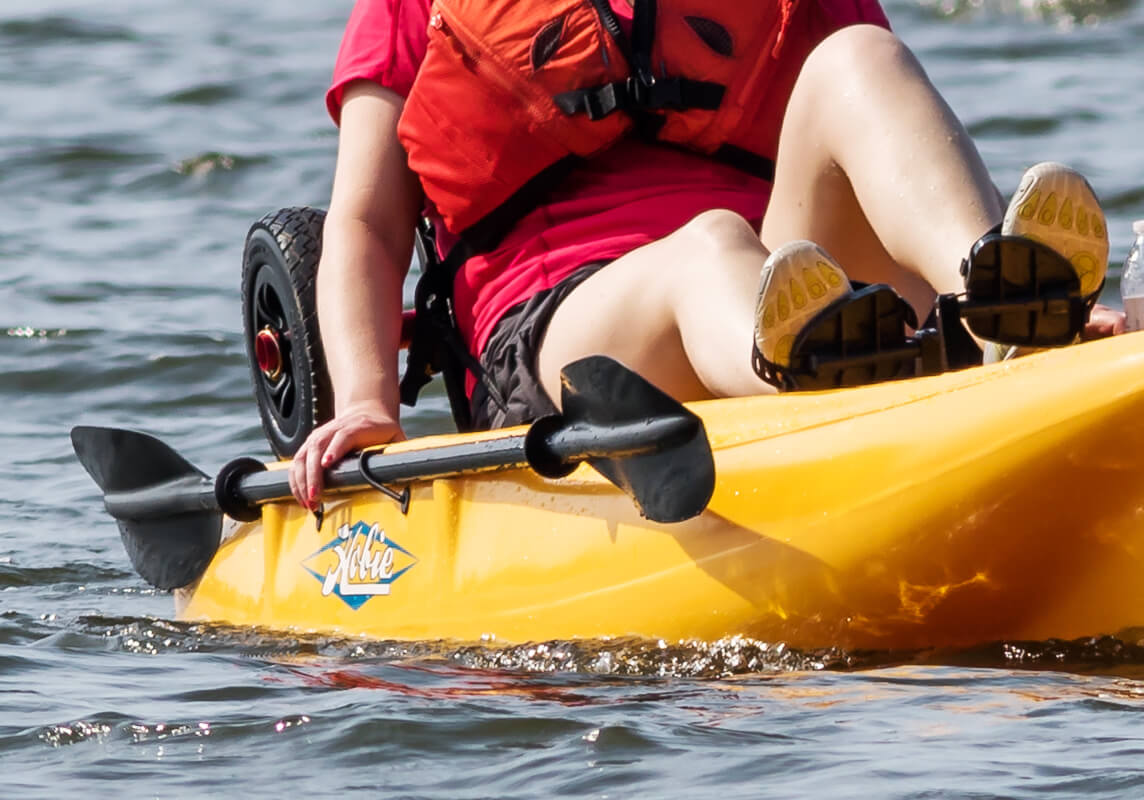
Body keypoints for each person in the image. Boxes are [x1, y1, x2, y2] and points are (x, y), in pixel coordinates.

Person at [287, 0, 1124, 508]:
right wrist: (367, 404)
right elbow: (364, 223)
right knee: (709, 249)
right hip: (559, 328)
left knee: (858, 58)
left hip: (797, 281)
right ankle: (849, 370)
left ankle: (999, 307)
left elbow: (876, 149)